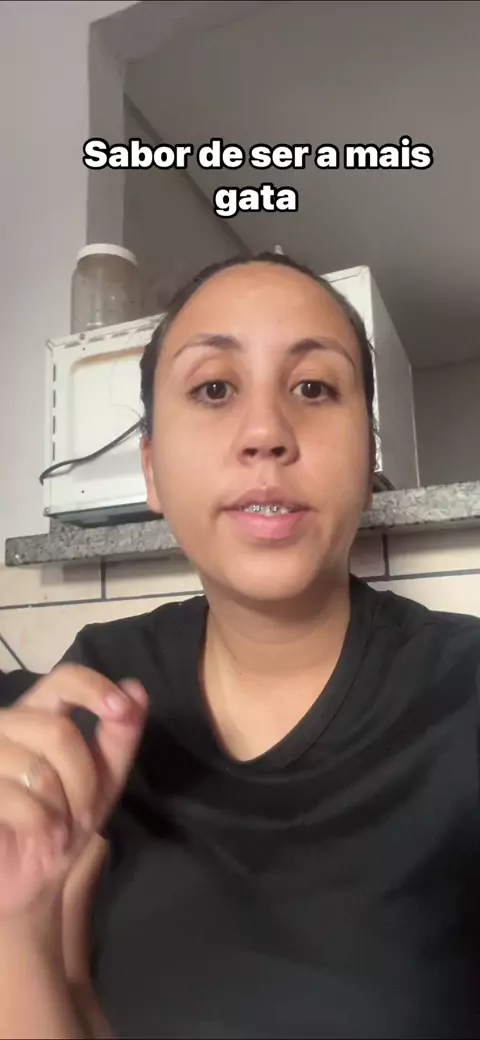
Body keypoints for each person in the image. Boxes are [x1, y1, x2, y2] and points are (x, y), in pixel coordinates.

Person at [0, 252, 479, 1040]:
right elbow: (71, 996)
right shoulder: (102, 682)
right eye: (214, 389)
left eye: (314, 388)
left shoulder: (465, 694)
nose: (266, 434)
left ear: (369, 459)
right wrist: (18, 921)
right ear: (152, 472)